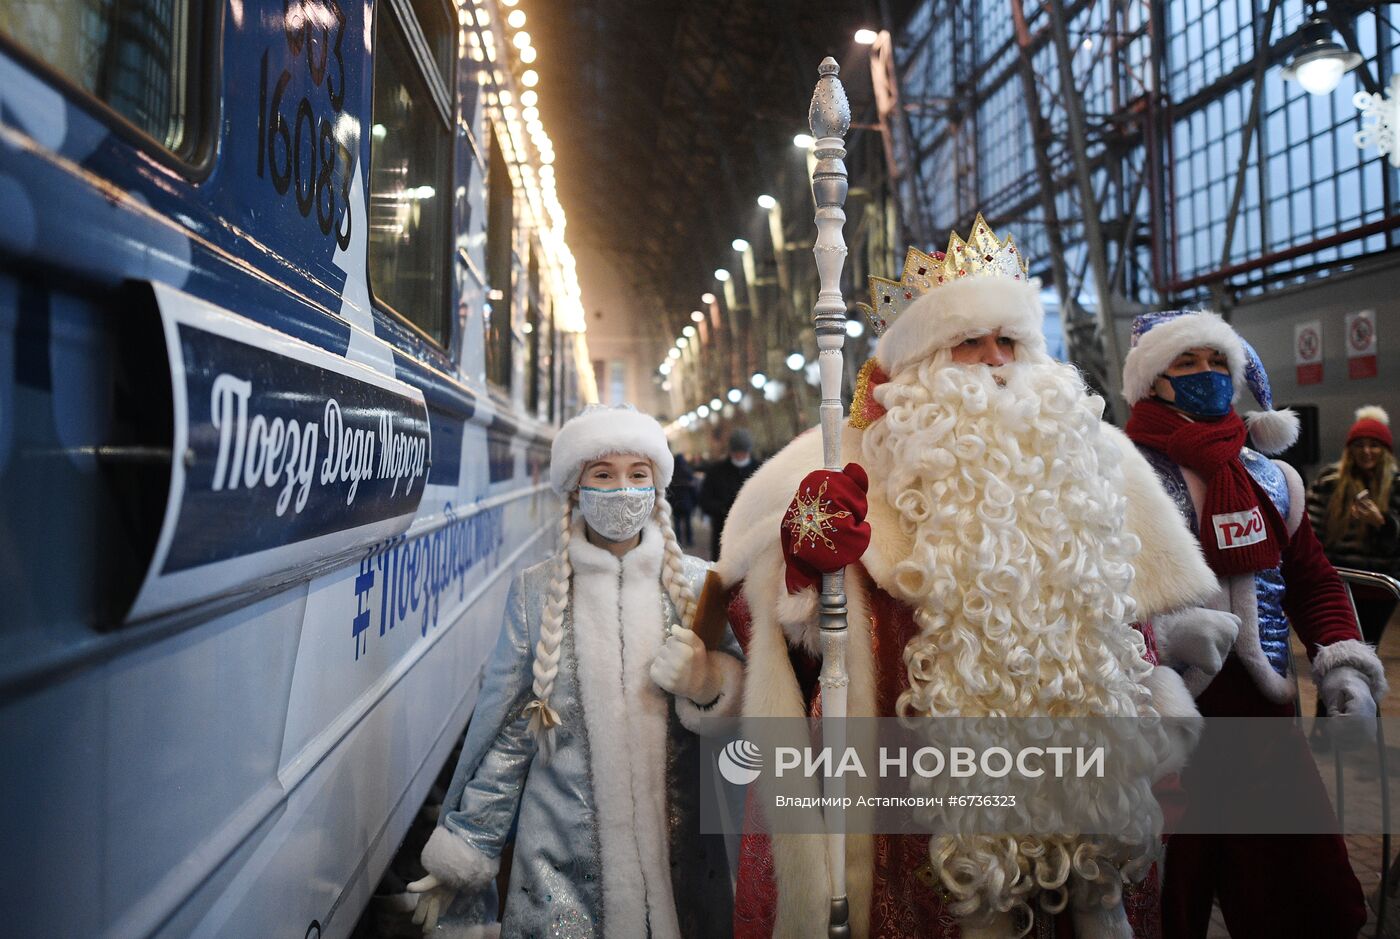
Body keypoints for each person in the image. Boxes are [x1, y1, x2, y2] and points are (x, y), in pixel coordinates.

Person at [714, 218, 1226, 939]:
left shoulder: (1092, 455)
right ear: (920, 364)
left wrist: (1159, 657)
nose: (995, 363)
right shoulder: (841, 461)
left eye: (1009, 341)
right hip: (922, 799)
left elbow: (1125, 611)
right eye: (969, 342)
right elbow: (762, 630)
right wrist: (804, 558)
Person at [406, 405, 743, 938]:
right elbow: (512, 736)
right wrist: (466, 850)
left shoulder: (704, 589)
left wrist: (708, 682)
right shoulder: (535, 593)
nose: (622, 489)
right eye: (603, 475)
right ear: (577, 489)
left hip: (682, 871)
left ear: (657, 486)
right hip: (558, 872)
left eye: (638, 474)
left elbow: (757, 714)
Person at [1119, 311, 1385, 938]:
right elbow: (1088, 595)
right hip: (1161, 725)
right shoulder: (1117, 476)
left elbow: (1313, 580)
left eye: (1218, 362)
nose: (1207, 375)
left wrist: (1344, 663)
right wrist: (1159, 638)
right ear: (1151, 379)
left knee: (1306, 902)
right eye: (1186, 363)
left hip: (1265, 728)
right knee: (1161, 906)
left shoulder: (1273, 476)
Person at [1308, 406, 1400, 646]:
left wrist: (1382, 523)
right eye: (1359, 445)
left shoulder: (1397, 485)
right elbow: (1311, 531)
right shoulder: (1329, 481)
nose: (1366, 451)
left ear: (1385, 450)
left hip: (1380, 586)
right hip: (1340, 581)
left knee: (1369, 645)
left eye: (1374, 445)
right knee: (1339, 644)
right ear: (1349, 449)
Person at [701, 428, 762, 560]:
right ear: (731, 451)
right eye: (737, 452)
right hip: (723, 533)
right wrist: (724, 508)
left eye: (743, 453)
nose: (740, 456)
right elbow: (705, 501)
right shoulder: (716, 472)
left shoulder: (760, 469)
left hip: (753, 533)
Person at [668, 451, 698, 547]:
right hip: (687, 503)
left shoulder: (671, 474)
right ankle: (689, 541)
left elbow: (668, 491)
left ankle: (678, 541)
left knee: (677, 524)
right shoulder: (688, 472)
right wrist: (694, 502)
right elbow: (693, 489)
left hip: (675, 503)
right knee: (688, 523)